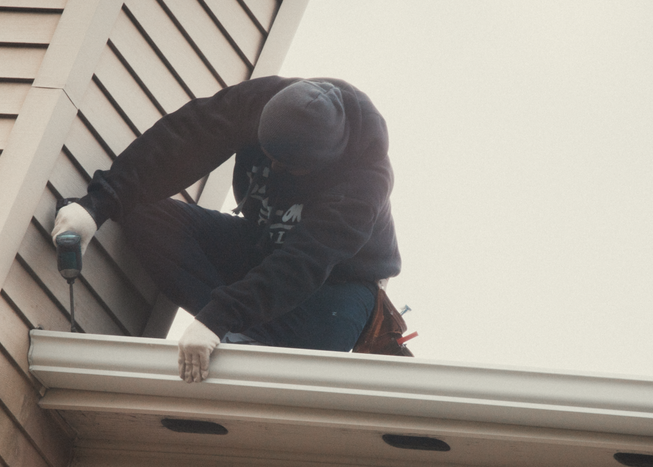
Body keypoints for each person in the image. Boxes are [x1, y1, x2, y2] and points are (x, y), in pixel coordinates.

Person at [52, 76, 400, 383]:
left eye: (288, 166)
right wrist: (96, 206)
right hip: (263, 246)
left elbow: (303, 263)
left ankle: (240, 338)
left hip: (336, 289)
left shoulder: (363, 183)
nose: (274, 167)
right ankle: (234, 333)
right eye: (268, 154)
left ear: (323, 161)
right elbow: (183, 139)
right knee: (145, 215)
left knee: (287, 375)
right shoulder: (260, 101)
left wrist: (216, 318)